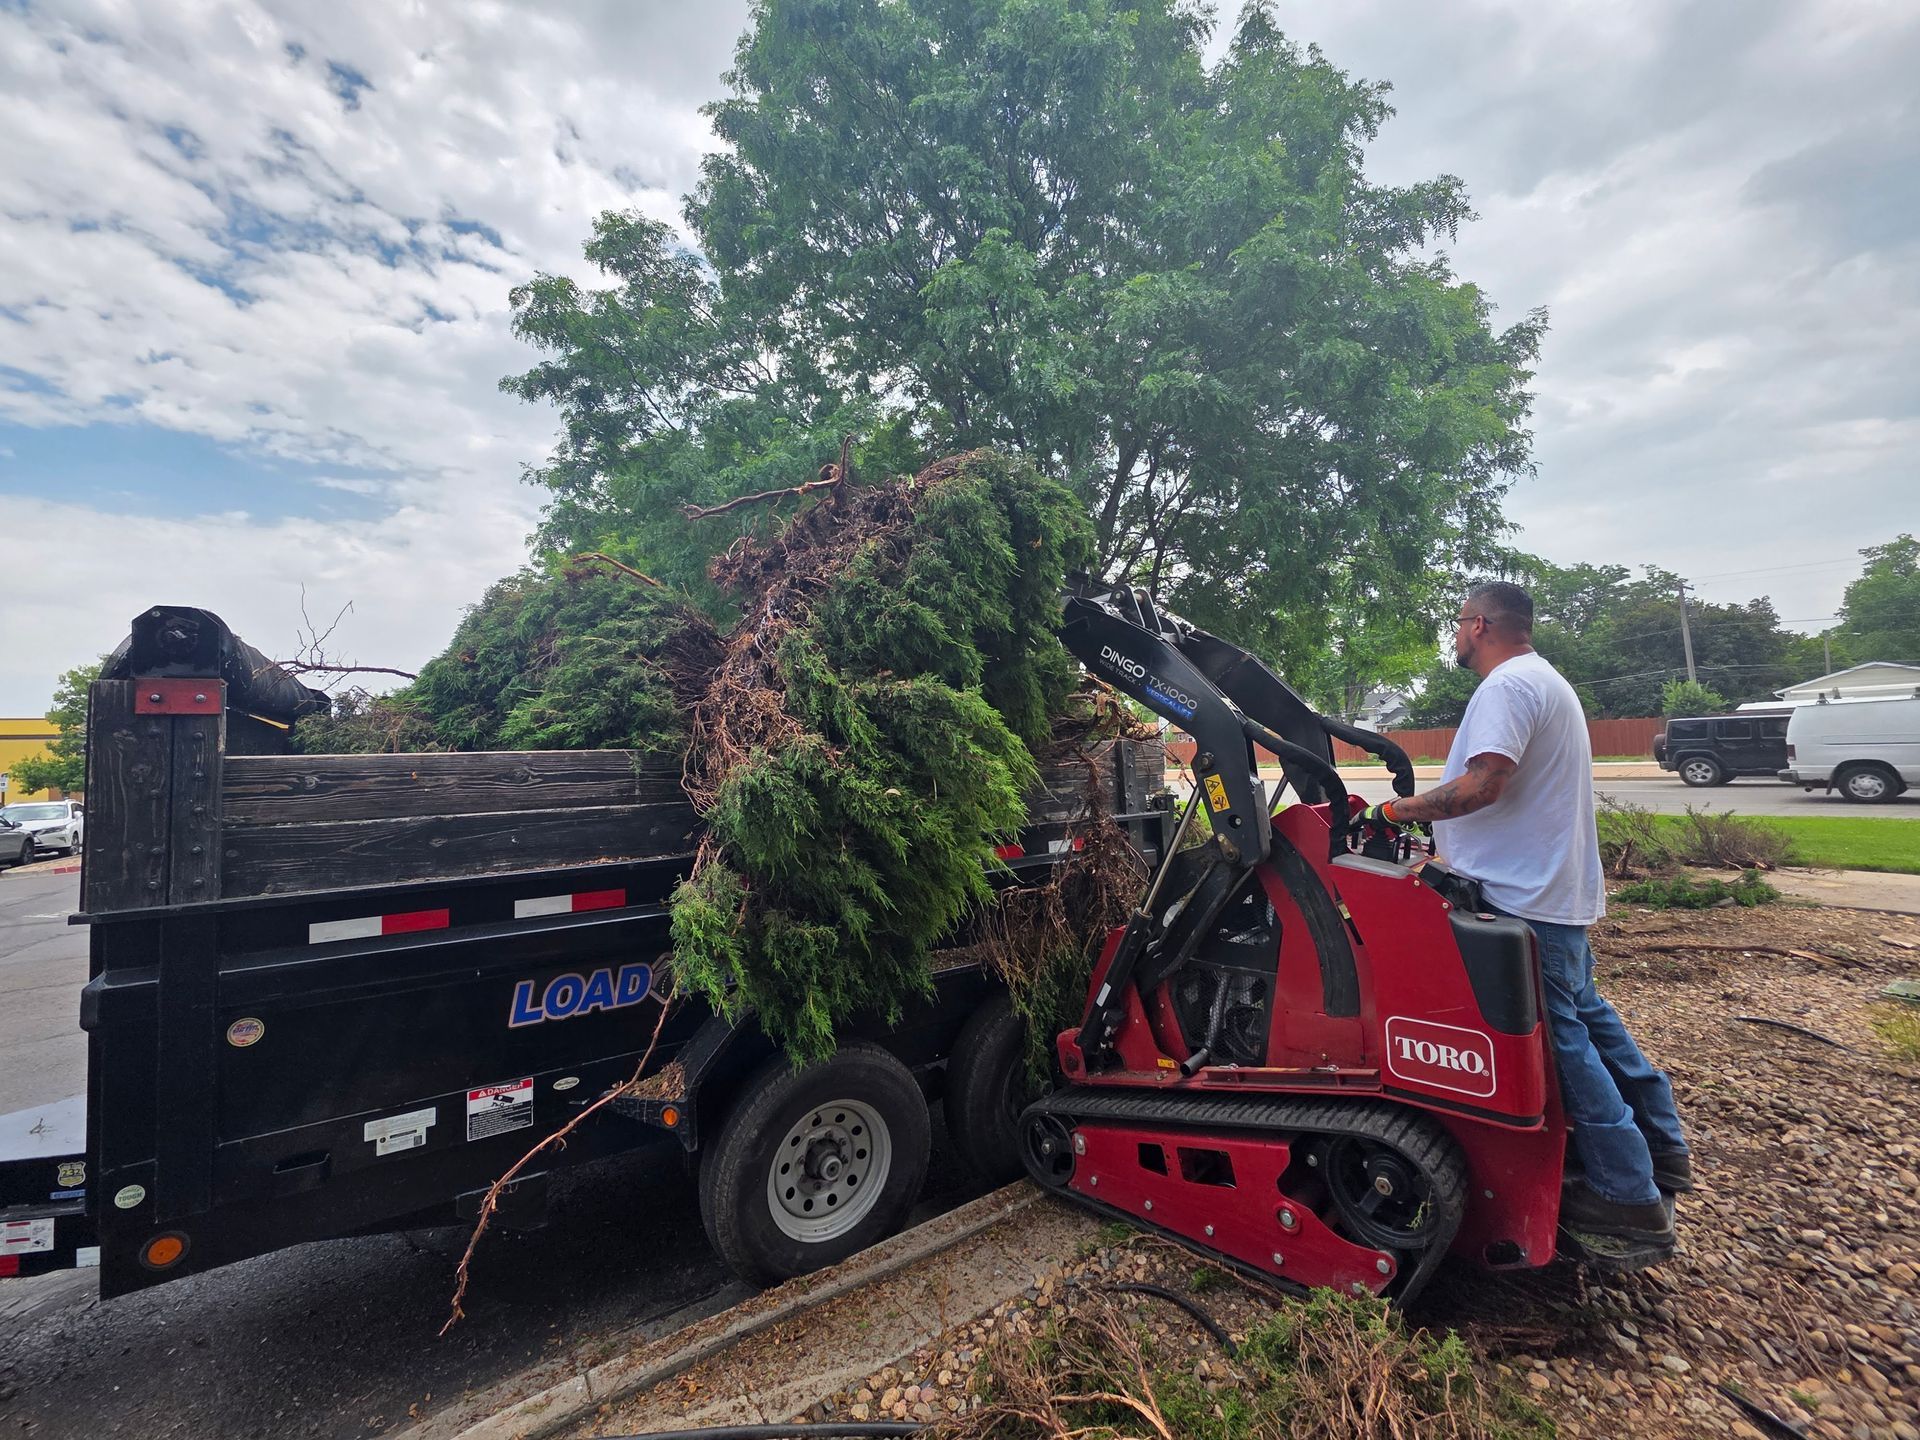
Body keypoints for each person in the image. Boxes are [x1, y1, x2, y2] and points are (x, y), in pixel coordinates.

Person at [1363, 581, 1690, 1248]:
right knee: (1589, 1017)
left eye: (1458, 624)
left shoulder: (1507, 688)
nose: (1456, 635)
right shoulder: (1546, 681)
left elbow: (1486, 784)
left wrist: (1390, 812)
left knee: (1563, 1037)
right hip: (1551, 892)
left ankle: (1627, 1197)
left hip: (1525, 900)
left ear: (1480, 625)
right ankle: (1662, 1148)